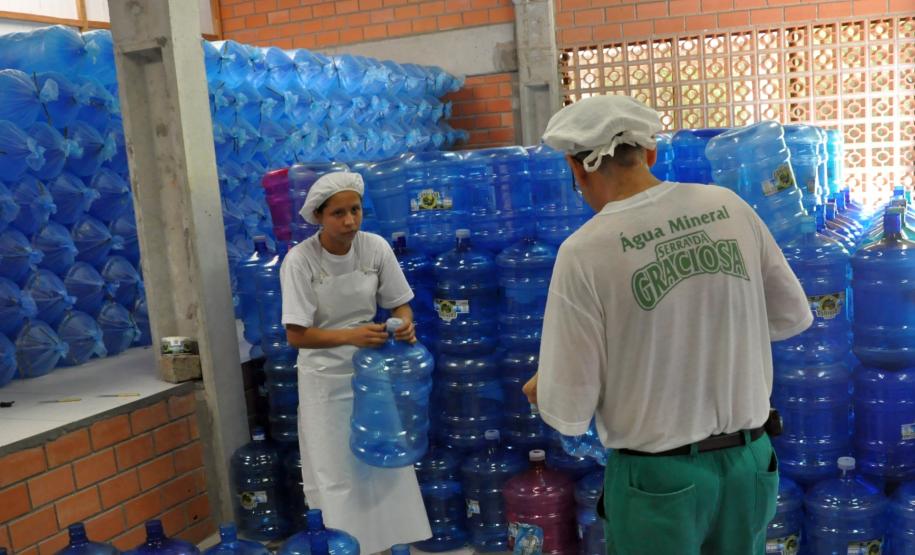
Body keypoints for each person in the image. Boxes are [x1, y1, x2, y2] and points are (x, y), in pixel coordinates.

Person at [522, 95, 812, 554]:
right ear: (651, 153)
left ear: (576, 168)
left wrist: (548, 386)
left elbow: (570, 410)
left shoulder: (585, 251)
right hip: (749, 467)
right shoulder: (728, 207)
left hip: (659, 483)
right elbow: (790, 315)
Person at [279, 171, 431, 553]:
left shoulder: (375, 248)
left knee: (384, 464)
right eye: (338, 214)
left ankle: (393, 543)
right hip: (324, 381)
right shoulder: (300, 261)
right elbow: (296, 335)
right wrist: (351, 334)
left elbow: (401, 303)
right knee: (336, 472)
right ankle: (346, 545)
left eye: (355, 210)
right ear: (318, 217)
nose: (349, 221)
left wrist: (405, 326)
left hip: (373, 375)